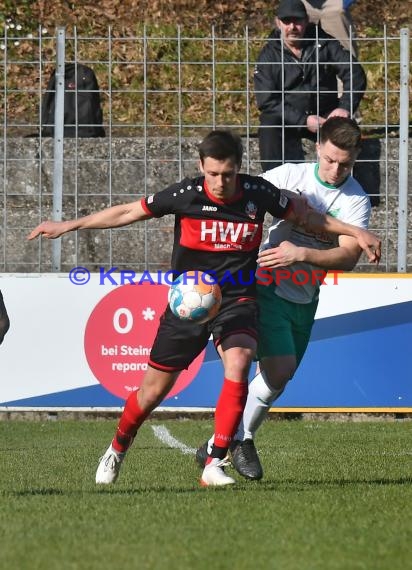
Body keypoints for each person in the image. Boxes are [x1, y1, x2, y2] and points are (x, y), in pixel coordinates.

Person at [28, 129, 380, 487]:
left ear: (238, 168)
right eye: (213, 174)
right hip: (189, 304)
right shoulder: (187, 194)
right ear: (201, 167)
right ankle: (118, 447)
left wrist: (357, 232)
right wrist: (69, 225)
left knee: (240, 361)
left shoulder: (258, 193)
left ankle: (214, 462)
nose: (220, 182)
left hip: (237, 298)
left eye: (227, 174)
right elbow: (128, 212)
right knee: (151, 393)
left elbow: (308, 217)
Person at [196, 117, 375, 481]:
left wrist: (302, 255)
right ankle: (240, 439)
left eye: (344, 163)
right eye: (329, 159)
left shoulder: (356, 199)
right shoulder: (287, 177)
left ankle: (219, 442)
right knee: (277, 369)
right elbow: (242, 202)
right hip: (265, 285)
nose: (335, 169)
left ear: (356, 157)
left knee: (280, 377)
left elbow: (348, 256)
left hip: (305, 295)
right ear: (318, 148)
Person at [254, 0, 366, 171]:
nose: (292, 27)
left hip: (326, 114)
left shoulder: (325, 43)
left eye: (297, 21)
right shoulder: (268, 55)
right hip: (288, 117)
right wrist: (302, 120)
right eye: (286, 21)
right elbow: (266, 100)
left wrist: (345, 107)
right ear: (278, 23)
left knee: (346, 129)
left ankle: (342, 184)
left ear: (306, 21)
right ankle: (273, 184)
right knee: (269, 124)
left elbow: (355, 72)